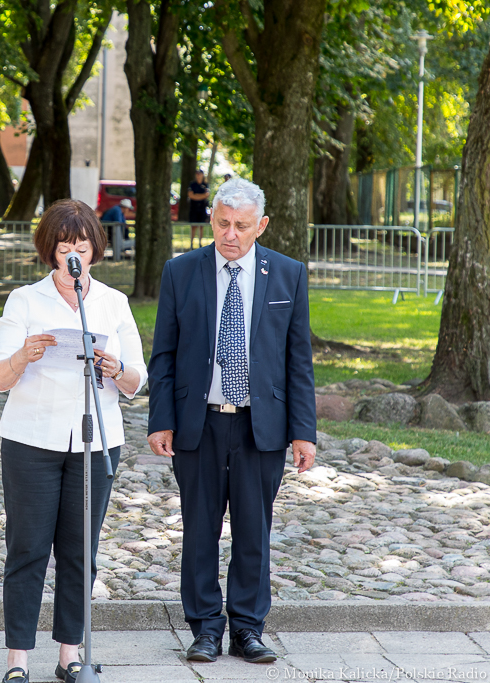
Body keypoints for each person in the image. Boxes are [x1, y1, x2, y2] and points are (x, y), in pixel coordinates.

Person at [146, 177, 316, 665]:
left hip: (261, 426)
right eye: (223, 223)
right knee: (199, 530)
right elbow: (164, 354)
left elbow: (298, 359)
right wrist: (161, 419)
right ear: (212, 220)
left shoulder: (288, 274)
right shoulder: (181, 271)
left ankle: (247, 628)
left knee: (253, 532)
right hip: (198, 422)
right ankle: (204, 628)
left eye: (242, 226)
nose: (231, 234)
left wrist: (303, 432)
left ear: (261, 226)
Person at [0, 199, 147, 683]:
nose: (73, 257)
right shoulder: (24, 300)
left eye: (81, 247)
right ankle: (18, 659)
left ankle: (69, 655)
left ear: (95, 250)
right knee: (28, 548)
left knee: (80, 552)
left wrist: (116, 368)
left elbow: (138, 380)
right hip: (31, 439)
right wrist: (23, 356)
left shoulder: (113, 303)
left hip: (96, 441)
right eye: (63, 248)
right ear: (50, 251)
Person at [188, 169, 210, 250]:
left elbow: (206, 195)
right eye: (197, 174)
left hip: (202, 208)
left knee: (201, 226)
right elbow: (190, 195)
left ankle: (200, 243)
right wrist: (200, 196)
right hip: (193, 208)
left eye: (200, 174)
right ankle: (191, 243)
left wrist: (196, 196)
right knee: (193, 226)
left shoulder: (205, 185)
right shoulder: (192, 184)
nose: (198, 176)